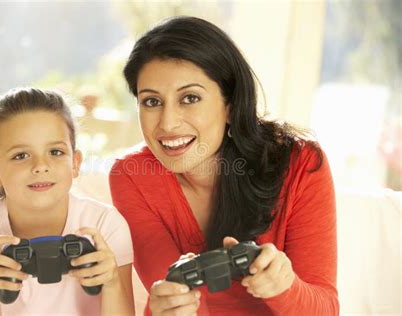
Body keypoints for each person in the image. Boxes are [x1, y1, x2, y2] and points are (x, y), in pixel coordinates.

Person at [109, 16, 338, 315]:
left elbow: (326, 310)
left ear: (230, 105)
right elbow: (178, 297)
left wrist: (286, 288)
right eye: (151, 102)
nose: (167, 123)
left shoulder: (301, 164)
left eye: (190, 98)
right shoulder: (132, 177)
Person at [0, 88, 135, 316]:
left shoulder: (106, 226)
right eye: (21, 156)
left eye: (55, 152)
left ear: (75, 163)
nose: (40, 165)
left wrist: (112, 282)